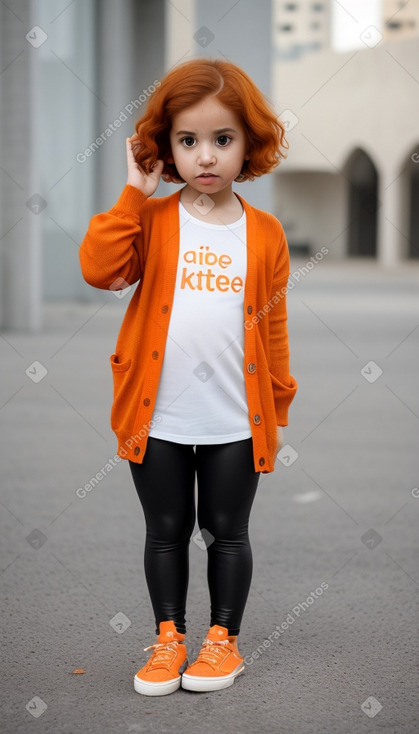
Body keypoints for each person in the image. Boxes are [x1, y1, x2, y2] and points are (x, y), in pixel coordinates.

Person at [79, 57, 298, 697]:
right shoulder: (150, 220)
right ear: (165, 147)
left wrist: (277, 407)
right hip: (161, 413)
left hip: (235, 415)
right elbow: (99, 268)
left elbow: (274, 327)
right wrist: (132, 194)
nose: (206, 156)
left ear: (249, 143)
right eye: (188, 140)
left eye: (222, 140)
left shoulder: (265, 233)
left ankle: (221, 641)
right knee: (166, 531)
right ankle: (168, 637)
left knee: (227, 534)